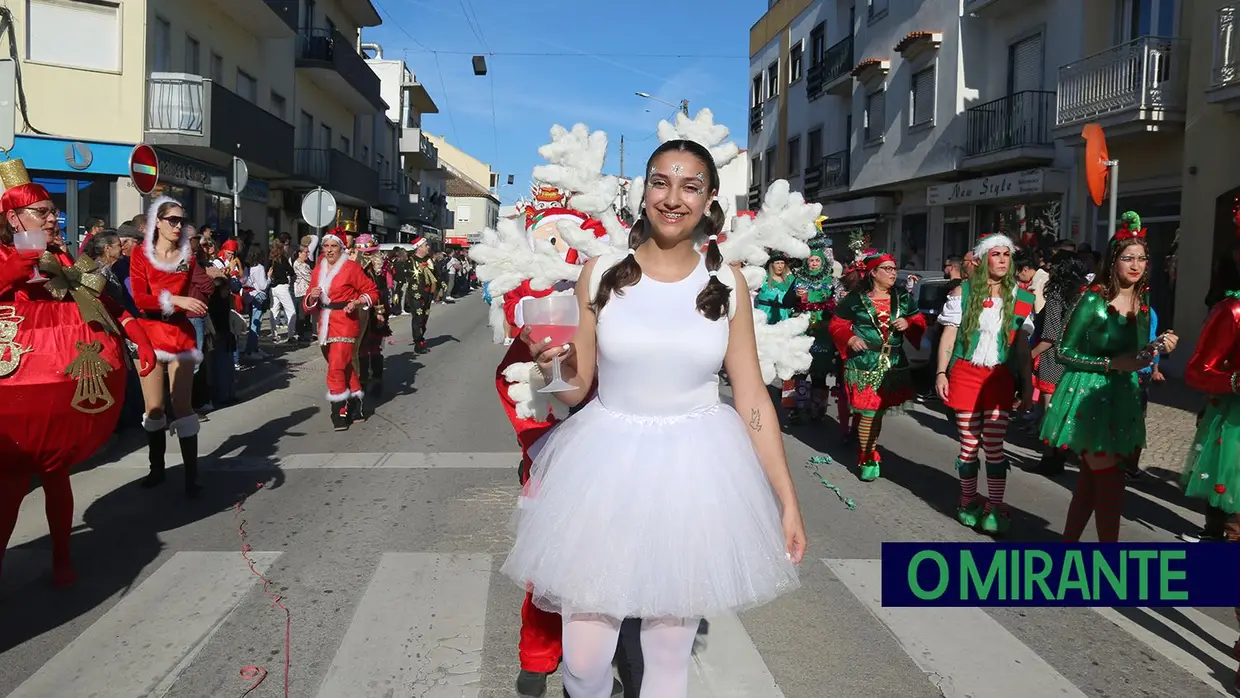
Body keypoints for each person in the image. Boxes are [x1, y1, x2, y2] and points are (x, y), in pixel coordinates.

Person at [501, 139, 806, 698]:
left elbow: (753, 399)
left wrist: (785, 498)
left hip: (694, 475)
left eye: (691, 185)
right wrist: (552, 363)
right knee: (585, 658)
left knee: (668, 659)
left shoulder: (728, 283)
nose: (673, 197)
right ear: (643, 191)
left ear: (710, 198)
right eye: (661, 182)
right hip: (604, 470)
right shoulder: (600, 273)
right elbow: (574, 389)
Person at [0, 157, 156, 586]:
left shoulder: (59, 256)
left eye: (53, 211)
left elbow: (97, 298)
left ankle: (62, 556)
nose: (54, 218)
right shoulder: (9, 254)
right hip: (12, 395)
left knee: (56, 475)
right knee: (10, 489)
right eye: (43, 212)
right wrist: (22, 257)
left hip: (62, 390)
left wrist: (135, 333)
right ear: (14, 217)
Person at [1040, 211, 1177, 542]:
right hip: (1089, 395)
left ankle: (1068, 546)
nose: (1135, 265)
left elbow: (1138, 354)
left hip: (1123, 397)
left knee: (1090, 482)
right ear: (1114, 260)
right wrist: (1109, 364)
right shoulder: (1093, 299)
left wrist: (1158, 347)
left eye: (1142, 258)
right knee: (1112, 484)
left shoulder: (1143, 303)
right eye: (1128, 257)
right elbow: (1063, 352)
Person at [935, 233, 1036, 536]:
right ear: (982, 260)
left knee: (993, 446)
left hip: (999, 377)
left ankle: (994, 505)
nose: (1003, 260)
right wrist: (941, 373)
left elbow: (1021, 348)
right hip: (965, 374)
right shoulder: (961, 293)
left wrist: (1028, 388)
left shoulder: (1022, 298)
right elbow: (949, 337)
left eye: (1007, 255)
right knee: (968, 446)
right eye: (996, 254)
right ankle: (967, 499)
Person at [130, 196, 223, 496]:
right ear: (156, 222)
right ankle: (156, 469)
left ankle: (190, 476)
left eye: (181, 221)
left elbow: (204, 289)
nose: (177, 226)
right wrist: (178, 300)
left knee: (182, 405)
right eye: (172, 220)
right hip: (149, 335)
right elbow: (141, 299)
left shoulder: (188, 257)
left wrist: (212, 289)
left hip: (179, 335)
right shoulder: (140, 256)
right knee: (154, 409)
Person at [829, 249, 926, 482]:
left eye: (895, 269)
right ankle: (867, 457)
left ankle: (870, 449)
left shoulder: (902, 297)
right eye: (888, 269)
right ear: (873, 273)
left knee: (877, 413)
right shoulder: (853, 299)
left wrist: (909, 322)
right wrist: (850, 338)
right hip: (863, 363)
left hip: (892, 363)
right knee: (868, 412)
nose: (893, 273)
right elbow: (836, 325)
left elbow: (919, 320)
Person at [303, 230, 379, 430]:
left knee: (336, 365)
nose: (329, 250)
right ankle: (357, 404)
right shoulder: (318, 270)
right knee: (344, 366)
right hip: (324, 323)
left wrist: (357, 302)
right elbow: (308, 303)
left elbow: (371, 291)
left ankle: (339, 410)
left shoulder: (351, 268)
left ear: (341, 248)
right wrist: (312, 296)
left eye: (333, 246)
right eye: (326, 246)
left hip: (346, 321)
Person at [1028, 251, 1089, 476]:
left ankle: (1050, 460)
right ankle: (1062, 456)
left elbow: (1050, 336)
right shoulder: (1085, 296)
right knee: (1068, 412)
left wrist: (1030, 355)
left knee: (1050, 413)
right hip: (1076, 360)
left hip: (1054, 361)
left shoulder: (1056, 296)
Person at [354, 234, 391, 398]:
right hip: (360, 311)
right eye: (367, 253)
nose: (368, 256)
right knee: (362, 347)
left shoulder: (378, 268)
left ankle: (375, 380)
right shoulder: (356, 267)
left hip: (375, 309)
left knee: (372, 345)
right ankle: (363, 381)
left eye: (370, 253)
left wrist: (380, 312)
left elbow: (380, 291)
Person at [405, 236, 436, 353]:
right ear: (419, 247)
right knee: (417, 317)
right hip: (415, 294)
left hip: (427, 293)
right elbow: (406, 277)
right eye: (425, 245)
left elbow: (435, 275)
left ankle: (421, 336)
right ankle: (418, 342)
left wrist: (438, 287)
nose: (428, 247)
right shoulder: (410, 261)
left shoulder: (429, 260)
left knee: (424, 318)